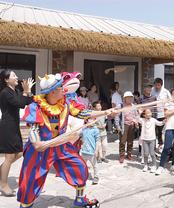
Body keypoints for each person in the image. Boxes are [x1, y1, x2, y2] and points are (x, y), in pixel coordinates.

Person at [17, 73, 108, 208]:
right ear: (53, 91)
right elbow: (34, 132)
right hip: (40, 150)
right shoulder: (36, 107)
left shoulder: (65, 103)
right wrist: (37, 143)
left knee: (80, 167)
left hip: (61, 146)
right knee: (31, 178)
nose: (63, 89)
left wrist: (106, 112)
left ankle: (79, 199)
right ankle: (25, 206)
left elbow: (83, 113)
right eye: (60, 87)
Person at [0, 70, 34, 196]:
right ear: (6, 79)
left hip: (14, 126)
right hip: (7, 126)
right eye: (14, 75)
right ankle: (3, 185)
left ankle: (2, 170)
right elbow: (19, 103)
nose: (17, 77)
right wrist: (25, 92)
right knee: (9, 157)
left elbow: (27, 102)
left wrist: (28, 90)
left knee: (19, 153)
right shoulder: (5, 93)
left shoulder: (16, 91)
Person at [155, 89, 174, 175]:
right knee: (167, 146)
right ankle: (161, 166)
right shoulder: (168, 103)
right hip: (169, 127)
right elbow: (166, 114)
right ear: (171, 95)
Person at [115, 91, 139, 163]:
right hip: (123, 125)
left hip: (131, 125)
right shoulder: (121, 105)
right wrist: (117, 126)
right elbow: (117, 116)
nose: (130, 99)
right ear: (124, 98)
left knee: (130, 141)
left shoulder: (133, 106)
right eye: (128, 98)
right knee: (122, 141)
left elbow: (136, 115)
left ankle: (129, 154)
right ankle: (122, 155)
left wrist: (136, 121)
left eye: (131, 98)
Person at [138, 109, 164, 173]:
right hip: (145, 139)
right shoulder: (142, 120)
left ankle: (154, 166)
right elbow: (137, 118)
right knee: (146, 154)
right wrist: (139, 112)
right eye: (147, 113)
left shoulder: (153, 120)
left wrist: (164, 121)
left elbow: (159, 123)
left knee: (152, 153)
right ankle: (145, 165)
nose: (149, 114)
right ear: (144, 115)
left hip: (152, 139)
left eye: (150, 112)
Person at [151, 78, 172, 149]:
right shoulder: (152, 90)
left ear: (161, 85)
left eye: (158, 85)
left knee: (161, 130)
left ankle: (161, 144)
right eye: (155, 85)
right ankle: (152, 145)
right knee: (153, 129)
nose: (157, 87)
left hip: (162, 113)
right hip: (153, 113)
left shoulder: (166, 92)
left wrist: (168, 113)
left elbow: (170, 102)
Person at [81, 119, 100, 185]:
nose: (91, 122)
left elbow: (97, 141)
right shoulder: (84, 129)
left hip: (92, 152)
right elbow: (80, 137)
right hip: (84, 151)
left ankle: (96, 177)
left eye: (93, 121)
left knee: (94, 165)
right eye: (89, 121)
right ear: (87, 121)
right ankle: (83, 176)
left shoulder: (95, 130)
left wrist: (96, 150)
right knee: (83, 165)